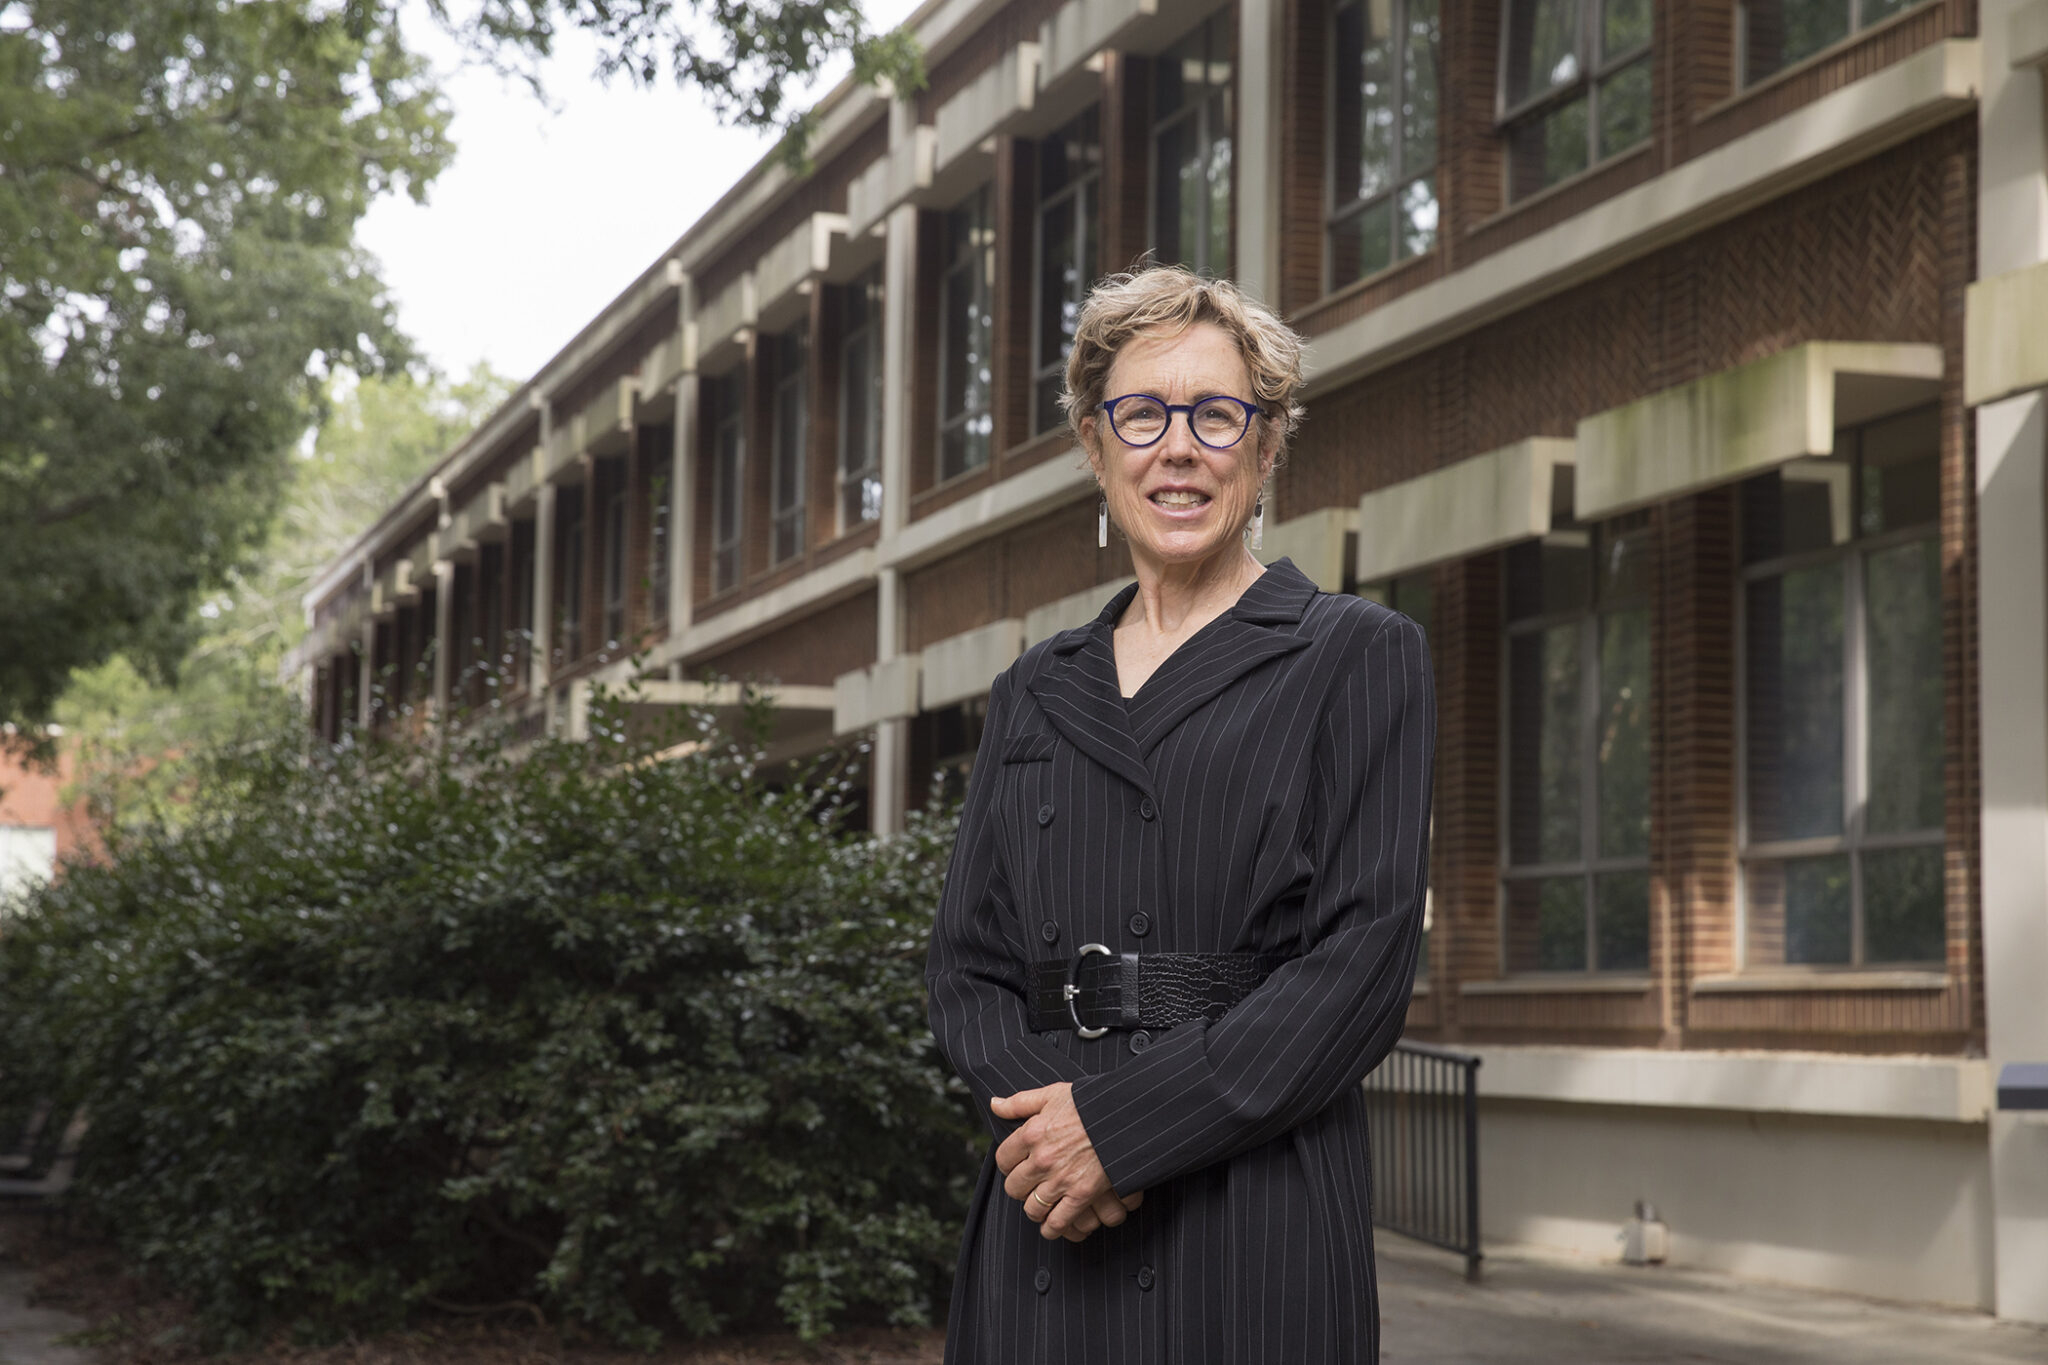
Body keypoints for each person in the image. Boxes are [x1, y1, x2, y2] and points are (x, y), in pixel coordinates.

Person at [924, 265, 1436, 1364]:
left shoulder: (1355, 653)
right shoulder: (1031, 687)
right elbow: (966, 967)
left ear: (1266, 445)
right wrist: (1053, 1139)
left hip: (1250, 1206)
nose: (1178, 448)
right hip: (1047, 1210)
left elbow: (1363, 963)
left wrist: (1120, 1133)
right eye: (1142, 414)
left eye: (1215, 415)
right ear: (1094, 445)